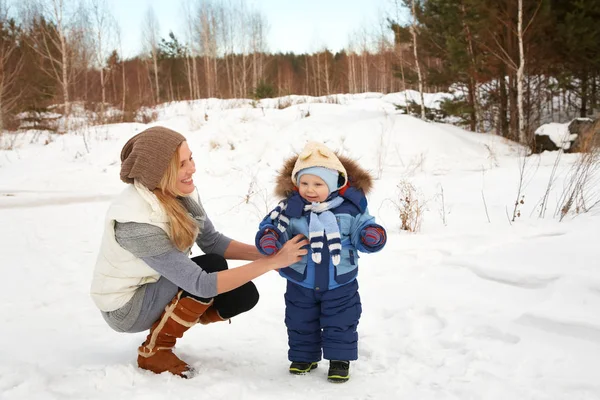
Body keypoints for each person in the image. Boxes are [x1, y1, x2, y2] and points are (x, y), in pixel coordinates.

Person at [90, 126, 307, 378]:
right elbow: (199, 283)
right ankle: (155, 351)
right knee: (209, 272)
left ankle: (174, 319)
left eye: (190, 158)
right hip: (127, 309)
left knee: (242, 294)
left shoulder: (181, 192)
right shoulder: (135, 221)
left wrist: (267, 255)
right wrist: (273, 263)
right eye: (182, 164)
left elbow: (212, 242)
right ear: (158, 171)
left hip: (155, 285)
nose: (192, 168)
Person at [255, 141, 387, 383]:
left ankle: (340, 359)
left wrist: (371, 236)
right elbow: (272, 227)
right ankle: (304, 356)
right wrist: (269, 238)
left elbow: (363, 227)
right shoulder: (290, 210)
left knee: (342, 319)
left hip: (340, 280)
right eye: (304, 183)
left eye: (318, 183)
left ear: (335, 183)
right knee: (299, 319)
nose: (310, 189)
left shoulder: (350, 209)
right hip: (301, 278)